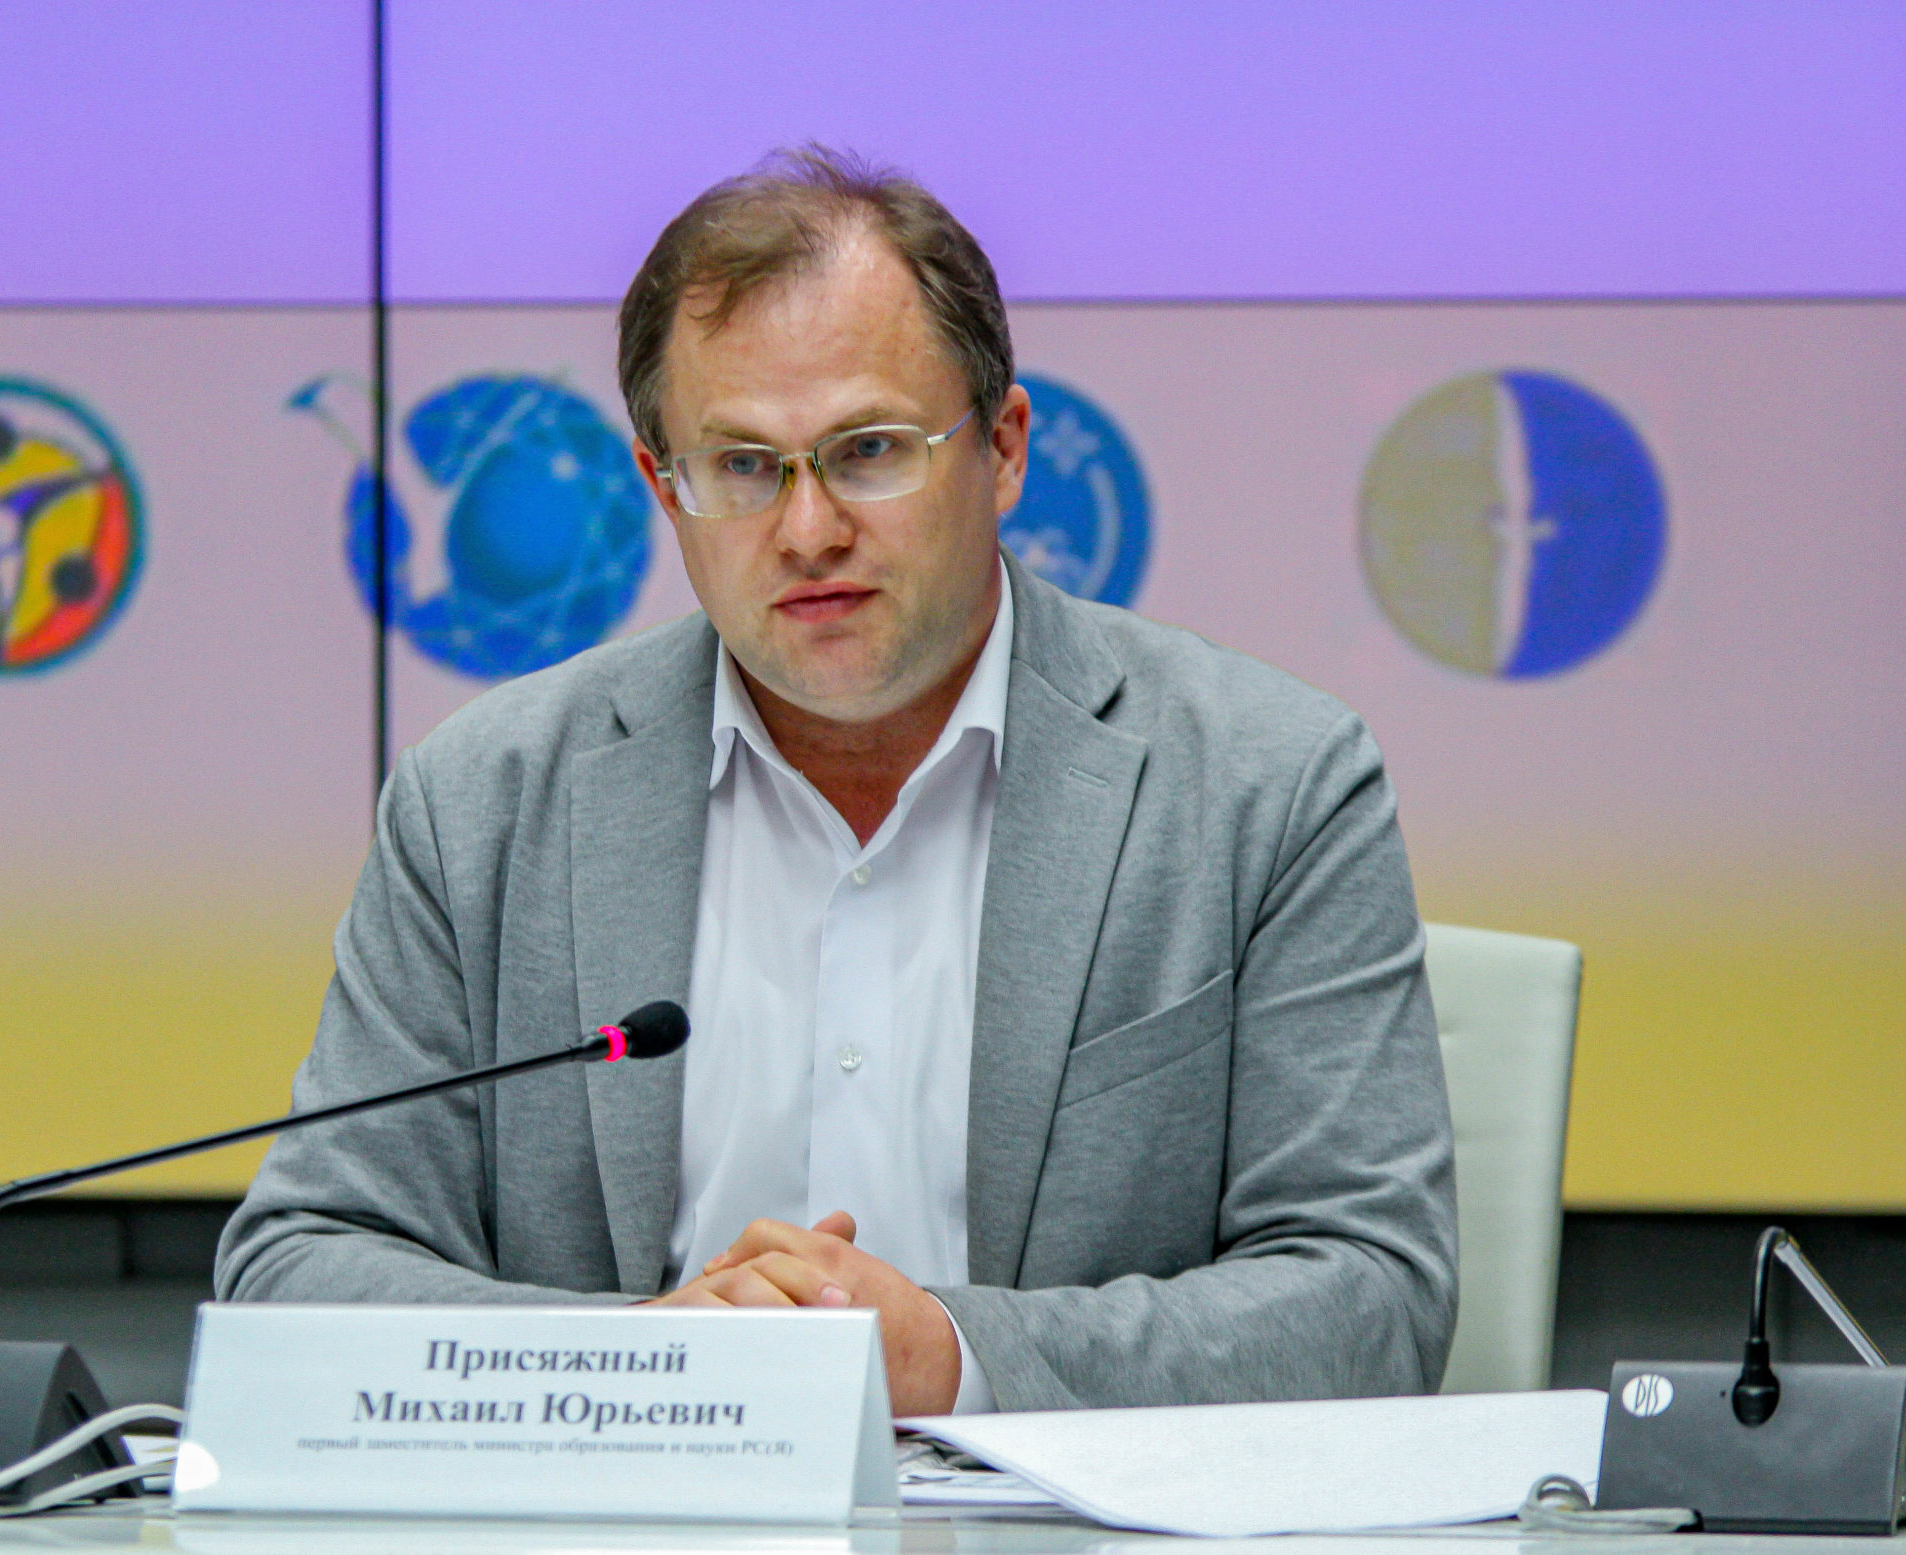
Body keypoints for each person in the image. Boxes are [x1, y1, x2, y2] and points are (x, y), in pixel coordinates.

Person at [217, 147, 1457, 1417]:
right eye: (742, 467)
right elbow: (299, 1266)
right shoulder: (480, 803)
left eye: (867, 451)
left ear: (1005, 450)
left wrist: (955, 1359)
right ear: (662, 489)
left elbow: (1372, 1301)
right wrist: (633, 1361)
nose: (808, 530)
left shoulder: (1267, 786)